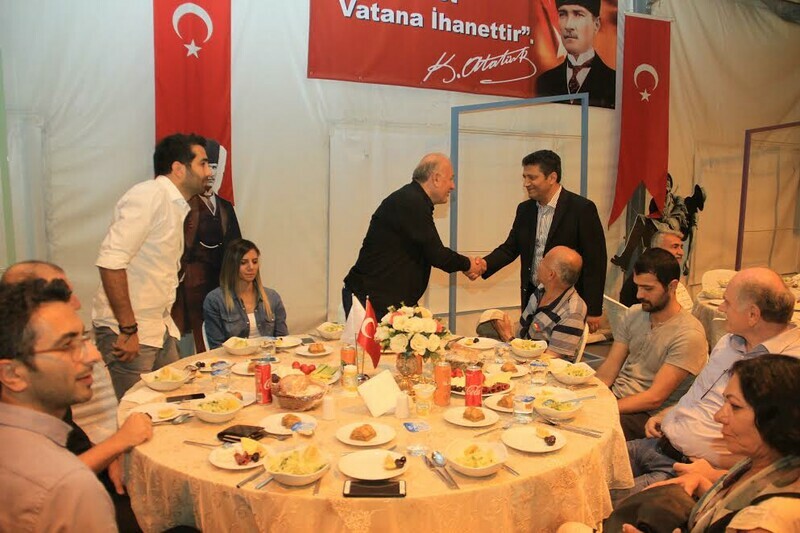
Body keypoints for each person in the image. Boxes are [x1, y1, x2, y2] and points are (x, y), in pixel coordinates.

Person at [615, 267, 800, 504]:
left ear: (753, 315)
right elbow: (701, 395)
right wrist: (667, 414)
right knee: (585, 469)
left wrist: (717, 474)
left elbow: (782, 456)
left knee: (601, 504)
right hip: (657, 441)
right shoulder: (728, 342)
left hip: (691, 469)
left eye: (727, 302)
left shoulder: (788, 370)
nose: (720, 308)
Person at [565, 354, 800, 533]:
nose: (719, 416)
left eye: (735, 406)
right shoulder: (767, 461)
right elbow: (730, 508)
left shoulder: (767, 521)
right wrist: (702, 483)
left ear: (777, 419)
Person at [1, 261, 153, 532]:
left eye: (83, 339)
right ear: (12, 374)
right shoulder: (70, 486)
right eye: (67, 345)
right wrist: (118, 443)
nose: (94, 356)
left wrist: (108, 453)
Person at [92, 133, 211, 400]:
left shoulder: (176, 205)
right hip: (131, 330)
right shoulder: (149, 195)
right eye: (203, 164)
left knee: (176, 404)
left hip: (158, 327)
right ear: (179, 168)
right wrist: (128, 329)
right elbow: (111, 262)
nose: (208, 172)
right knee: (138, 411)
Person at [480, 149, 607, 333]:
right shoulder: (525, 209)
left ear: (552, 177)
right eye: (524, 177)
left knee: (559, 348)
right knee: (528, 346)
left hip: (567, 302)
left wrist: (594, 309)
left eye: (532, 177)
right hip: (533, 296)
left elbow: (595, 261)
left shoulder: (581, 209)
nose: (526, 183)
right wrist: (483, 265)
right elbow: (510, 248)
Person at [343, 152, 484, 317]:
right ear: (436, 179)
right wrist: (469, 264)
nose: (453, 186)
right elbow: (437, 255)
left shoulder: (412, 199)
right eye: (451, 179)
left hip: (386, 300)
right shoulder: (411, 202)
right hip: (371, 302)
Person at [596, 249, 708, 441]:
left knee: (588, 430)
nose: (639, 294)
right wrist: (588, 395)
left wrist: (603, 407)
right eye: (638, 286)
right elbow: (608, 371)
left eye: (648, 289)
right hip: (617, 397)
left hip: (649, 416)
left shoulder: (689, 334)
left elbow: (654, 398)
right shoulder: (634, 313)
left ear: (672, 286)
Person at [171, 138, 241, 353]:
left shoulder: (225, 206)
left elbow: (236, 245)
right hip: (192, 283)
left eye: (214, 167)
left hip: (221, 279)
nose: (209, 172)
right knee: (191, 336)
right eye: (205, 166)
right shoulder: (184, 205)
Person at [481, 246, 587, 360]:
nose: (538, 263)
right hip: (519, 356)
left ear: (551, 275)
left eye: (543, 261)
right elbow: (524, 336)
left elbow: (550, 361)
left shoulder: (572, 312)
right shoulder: (541, 289)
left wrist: (508, 338)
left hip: (539, 368)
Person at [203, 239, 288, 349]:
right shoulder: (215, 300)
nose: (251, 267)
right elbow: (217, 347)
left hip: (269, 356)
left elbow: (282, 340)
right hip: (232, 358)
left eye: (255, 262)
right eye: (243, 263)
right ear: (231, 266)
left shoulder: (272, 297)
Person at [536, 0, 616, 109]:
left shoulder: (614, 83)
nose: (568, 25)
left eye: (578, 14)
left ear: (596, 24)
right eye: (562, 14)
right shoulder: (545, 82)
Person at [619, 230, 693, 310]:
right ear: (658, 249)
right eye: (675, 247)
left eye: (681, 247)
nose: (681, 252)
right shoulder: (640, 281)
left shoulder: (670, 276)